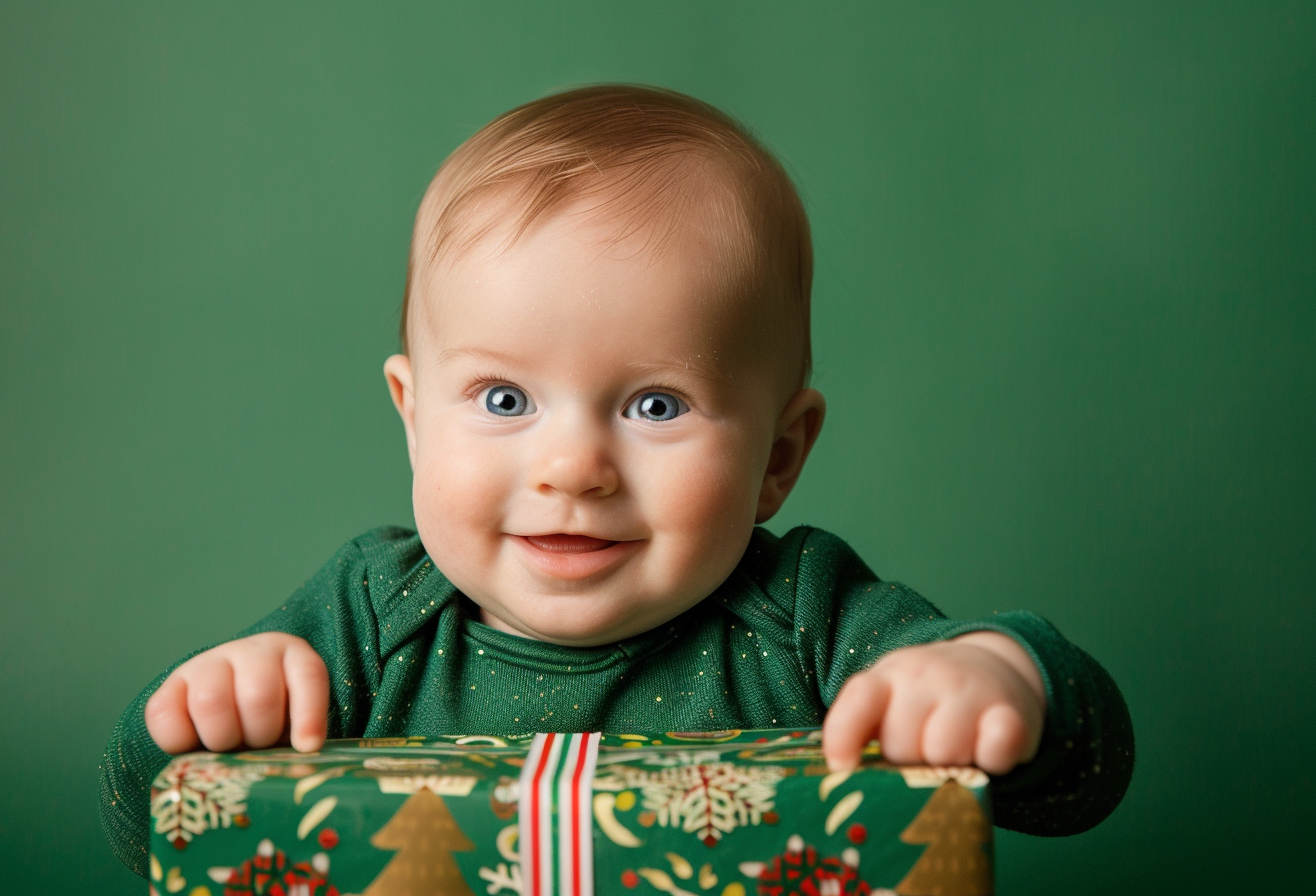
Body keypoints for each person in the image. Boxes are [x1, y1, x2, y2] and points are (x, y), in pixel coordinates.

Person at [100, 85, 1133, 876]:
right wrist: (195, 717)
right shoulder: (370, 618)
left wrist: (1002, 675)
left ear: (779, 456)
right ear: (413, 418)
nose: (572, 469)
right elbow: (146, 809)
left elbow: (1080, 781)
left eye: (655, 406)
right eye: (504, 399)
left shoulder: (806, 619)